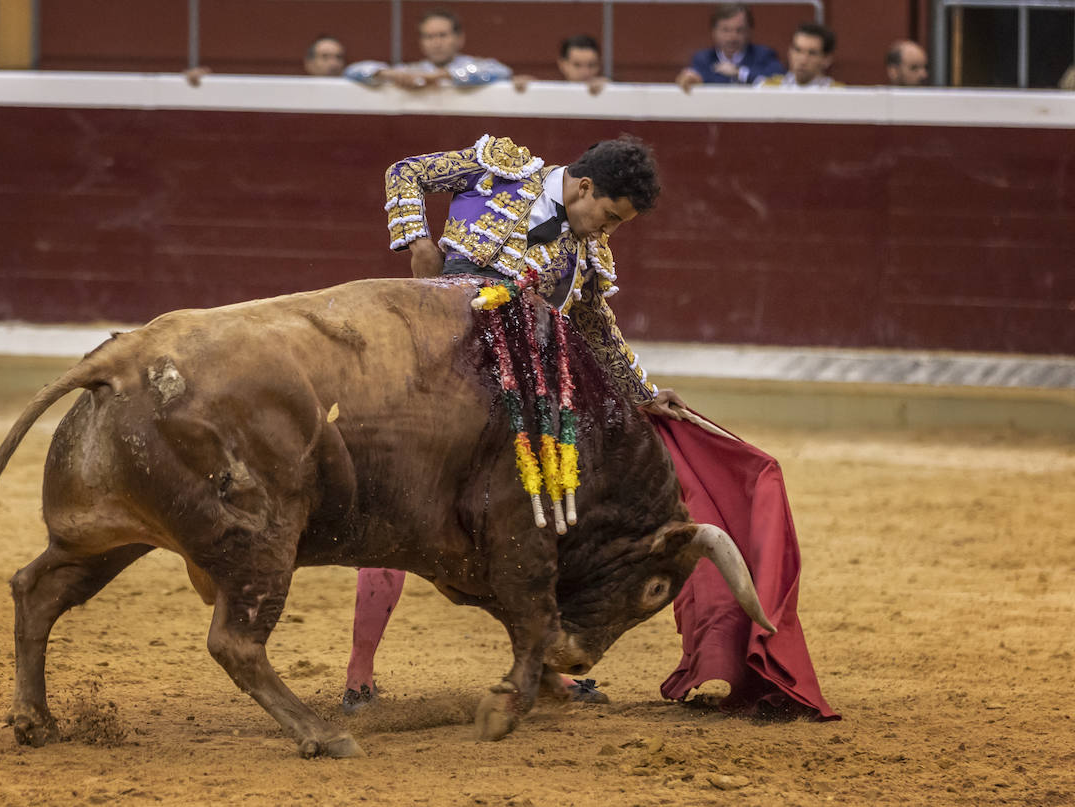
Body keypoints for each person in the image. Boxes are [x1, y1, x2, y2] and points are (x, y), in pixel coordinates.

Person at [344, 134, 839, 725]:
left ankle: (544, 667)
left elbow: (597, 328)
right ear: (583, 187)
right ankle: (359, 677)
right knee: (400, 508)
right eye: (610, 215)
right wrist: (418, 241)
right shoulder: (501, 170)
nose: (610, 230)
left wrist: (645, 393)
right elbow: (405, 171)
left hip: (512, 404)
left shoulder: (589, 253)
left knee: (539, 523)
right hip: (433, 379)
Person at [345, 8, 511, 89]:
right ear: (421, 42)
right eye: (429, 37)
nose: (436, 43)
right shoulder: (413, 71)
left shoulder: (475, 66)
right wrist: (387, 74)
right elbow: (352, 71)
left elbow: (502, 72)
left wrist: (442, 75)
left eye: (442, 35)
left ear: (459, 38)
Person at [676, 3, 784, 92]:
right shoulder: (703, 59)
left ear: (749, 31)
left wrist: (740, 72)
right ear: (714, 32)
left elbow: (778, 78)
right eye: (725, 30)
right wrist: (690, 78)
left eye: (739, 30)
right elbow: (695, 76)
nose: (732, 38)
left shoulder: (764, 55)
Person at [513, 34, 608, 95]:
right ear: (562, 65)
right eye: (577, 65)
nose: (585, 72)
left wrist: (609, 89)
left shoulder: (609, 90)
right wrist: (531, 88)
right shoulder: (549, 93)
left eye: (591, 65)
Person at [757, 22, 842, 89]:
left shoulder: (838, 93)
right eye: (798, 50)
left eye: (812, 53)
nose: (803, 60)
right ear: (790, 52)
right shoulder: (768, 88)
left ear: (827, 59)